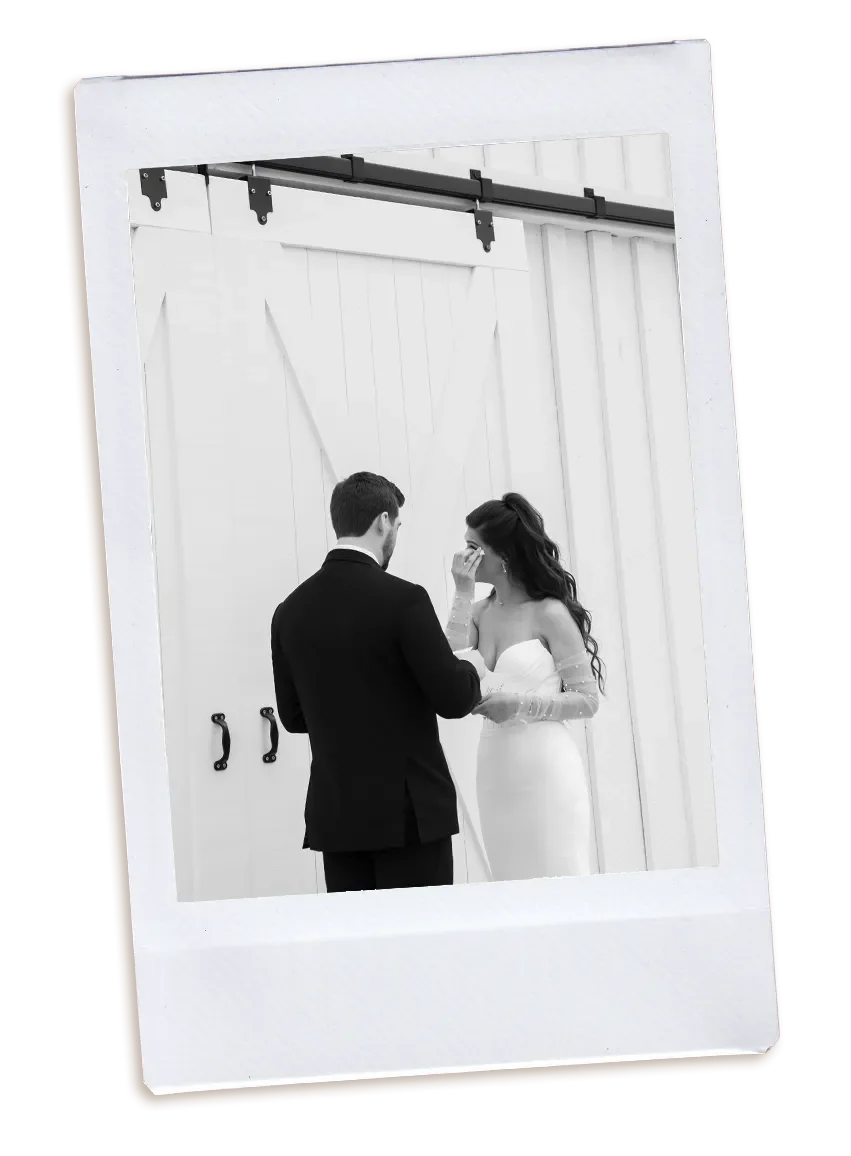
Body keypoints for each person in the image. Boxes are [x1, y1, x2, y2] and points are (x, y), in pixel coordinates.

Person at [271, 471, 482, 893]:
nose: (395, 535)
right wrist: (473, 666)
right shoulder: (405, 599)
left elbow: (294, 718)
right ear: (383, 521)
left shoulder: (289, 610)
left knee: (356, 951)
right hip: (410, 817)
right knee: (420, 948)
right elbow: (454, 698)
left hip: (338, 820)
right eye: (398, 526)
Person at [445, 493, 604, 882]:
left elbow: (586, 700)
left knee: (558, 877)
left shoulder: (549, 613)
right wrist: (463, 591)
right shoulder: (479, 612)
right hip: (496, 769)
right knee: (510, 884)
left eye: (473, 547)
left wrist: (517, 705)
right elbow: (448, 654)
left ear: (504, 556)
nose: (464, 555)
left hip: (545, 768)